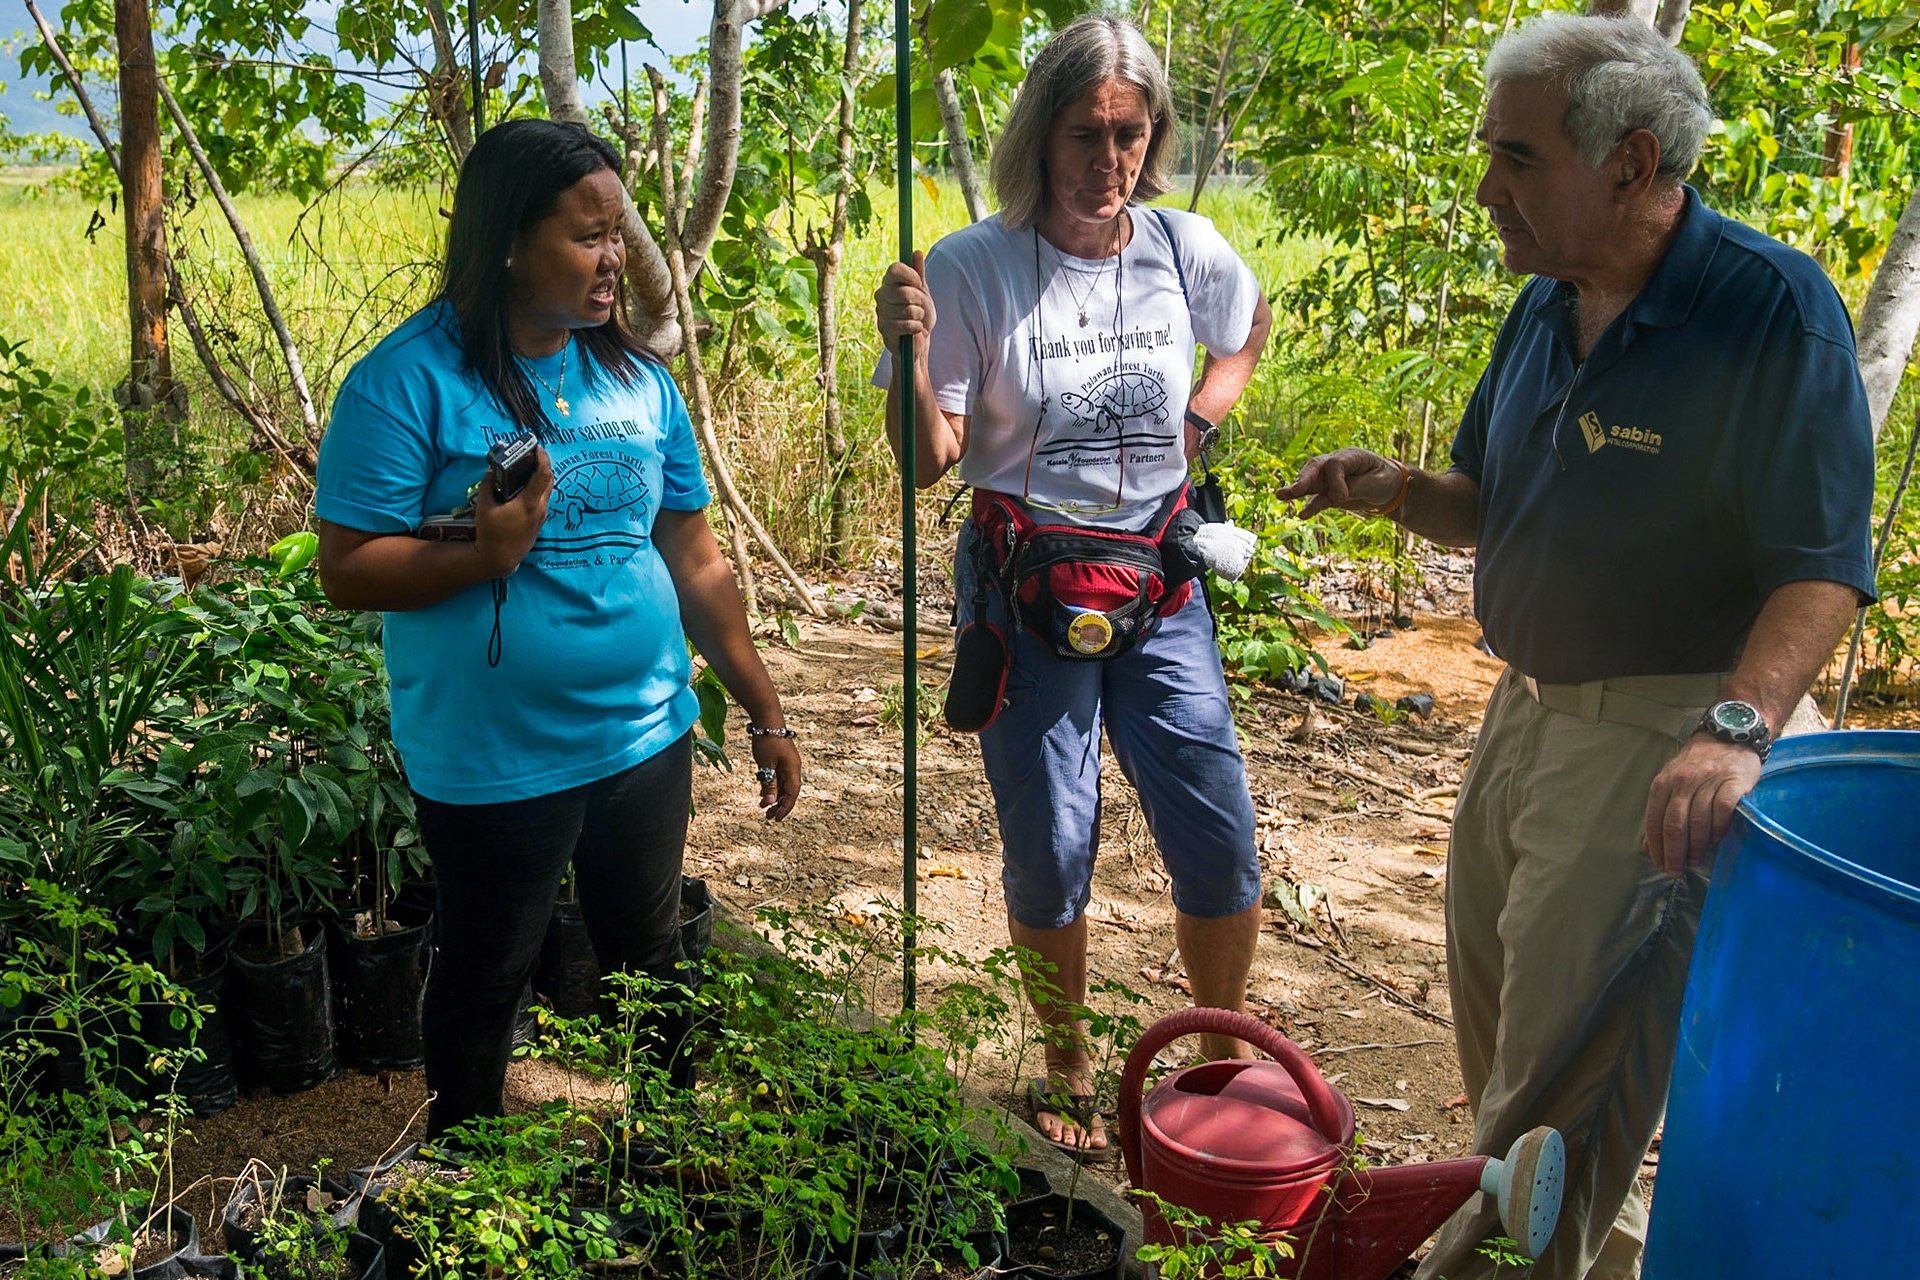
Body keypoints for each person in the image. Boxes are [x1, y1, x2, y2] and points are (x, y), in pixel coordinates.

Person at [1280, 15, 1876, 1279]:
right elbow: (1490, 496)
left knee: (1550, 1097)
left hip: (1654, 741)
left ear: (1629, 162)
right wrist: (1399, 490)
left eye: (1516, 157)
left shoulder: (1767, 313)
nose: (1487, 188)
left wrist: (1731, 735)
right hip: (1526, 714)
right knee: (1507, 1040)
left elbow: (1821, 570)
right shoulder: (1553, 300)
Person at [314, 119, 801, 1140]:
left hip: (643, 731)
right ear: (505, 242)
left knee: (651, 954)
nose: (614, 256)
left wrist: (762, 705)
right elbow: (346, 567)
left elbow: (697, 557)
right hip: (496, 755)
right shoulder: (407, 382)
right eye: (588, 236)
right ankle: (468, 1177)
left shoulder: (637, 381)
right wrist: (481, 557)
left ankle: (666, 1150)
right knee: (489, 969)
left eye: (618, 232)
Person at [873, 14, 1274, 1158]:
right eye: (1086, 135)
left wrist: (1200, 415)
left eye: (1131, 135)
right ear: (1038, 137)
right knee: (1050, 834)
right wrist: (905, 357)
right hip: (1026, 587)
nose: (1110, 162)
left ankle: (1220, 1052)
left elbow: (1246, 330)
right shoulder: (972, 266)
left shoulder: (1183, 249)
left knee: (1214, 820)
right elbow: (928, 460)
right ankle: (1066, 1061)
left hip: (1160, 576)